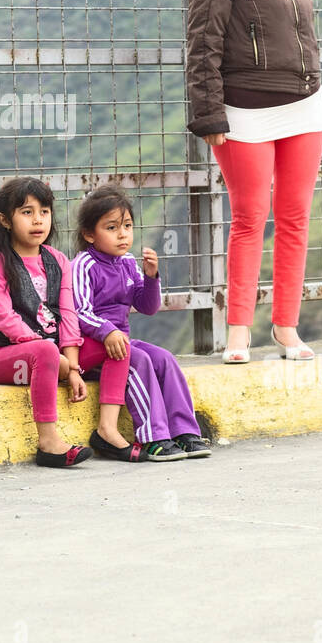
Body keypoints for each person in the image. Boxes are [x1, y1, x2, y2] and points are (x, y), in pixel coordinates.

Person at [185, 0, 322, 363]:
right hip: (244, 107)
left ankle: (287, 328)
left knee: (295, 219)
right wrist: (208, 114)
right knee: (249, 217)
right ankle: (240, 332)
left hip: (305, 106)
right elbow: (202, 41)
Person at [71, 183, 210, 461]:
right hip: (93, 347)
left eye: (127, 226)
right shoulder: (83, 265)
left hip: (119, 341)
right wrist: (107, 331)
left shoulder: (127, 262)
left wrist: (150, 277)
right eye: (111, 228)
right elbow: (79, 311)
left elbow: (147, 307)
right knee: (140, 362)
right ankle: (152, 437)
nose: (122, 234)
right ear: (89, 234)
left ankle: (183, 431)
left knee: (164, 359)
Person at [0, 177, 93, 469]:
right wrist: (50, 352)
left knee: (108, 351)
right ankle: (49, 443)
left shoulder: (58, 260)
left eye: (44, 211)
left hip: (53, 357)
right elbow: (2, 317)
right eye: (27, 212)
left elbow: (68, 315)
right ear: (5, 220)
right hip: (3, 357)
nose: (38, 220)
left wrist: (72, 368)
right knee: (47, 352)